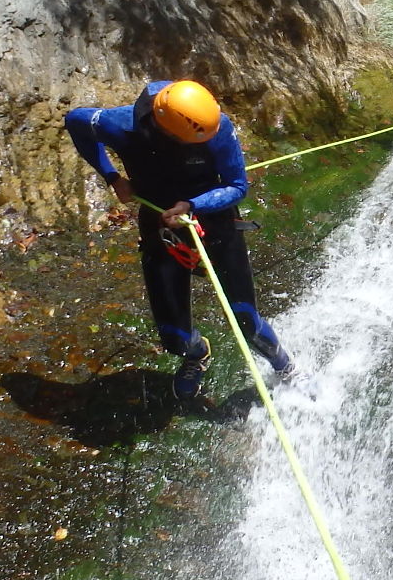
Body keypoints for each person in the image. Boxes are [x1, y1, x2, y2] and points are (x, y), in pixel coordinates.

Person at [65, 79, 295, 400]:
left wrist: (193, 205)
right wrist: (112, 177)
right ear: (168, 131)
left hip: (212, 221)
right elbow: (75, 121)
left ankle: (284, 365)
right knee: (173, 337)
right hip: (159, 226)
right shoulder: (119, 126)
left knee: (245, 320)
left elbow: (237, 186)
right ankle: (196, 353)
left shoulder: (216, 127)